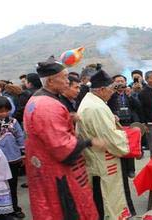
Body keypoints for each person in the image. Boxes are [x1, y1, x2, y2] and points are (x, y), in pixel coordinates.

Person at [23, 56, 105, 220]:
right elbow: (62, 148)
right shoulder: (48, 106)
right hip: (57, 174)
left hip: (42, 169)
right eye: (65, 77)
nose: (68, 81)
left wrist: (68, 118)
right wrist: (89, 142)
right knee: (64, 211)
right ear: (51, 82)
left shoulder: (36, 100)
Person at [77, 68, 136, 219]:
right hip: (101, 162)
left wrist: (111, 119)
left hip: (97, 157)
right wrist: (133, 134)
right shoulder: (96, 107)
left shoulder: (93, 101)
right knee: (104, 200)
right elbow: (110, 138)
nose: (112, 93)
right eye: (110, 89)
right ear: (102, 89)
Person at [0, 96, 25, 218]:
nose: (4, 113)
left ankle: (14, 208)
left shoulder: (13, 121)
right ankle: (2, 211)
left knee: (12, 185)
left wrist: (23, 153)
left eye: (6, 110)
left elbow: (20, 136)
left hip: (13, 159)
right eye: (0, 111)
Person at [108, 74, 142, 178]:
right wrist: (112, 92)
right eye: (117, 81)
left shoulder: (129, 94)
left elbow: (138, 106)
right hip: (117, 124)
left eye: (122, 81)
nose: (120, 83)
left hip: (129, 122)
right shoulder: (110, 95)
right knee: (119, 145)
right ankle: (121, 169)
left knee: (129, 146)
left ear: (126, 82)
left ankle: (131, 169)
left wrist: (130, 95)